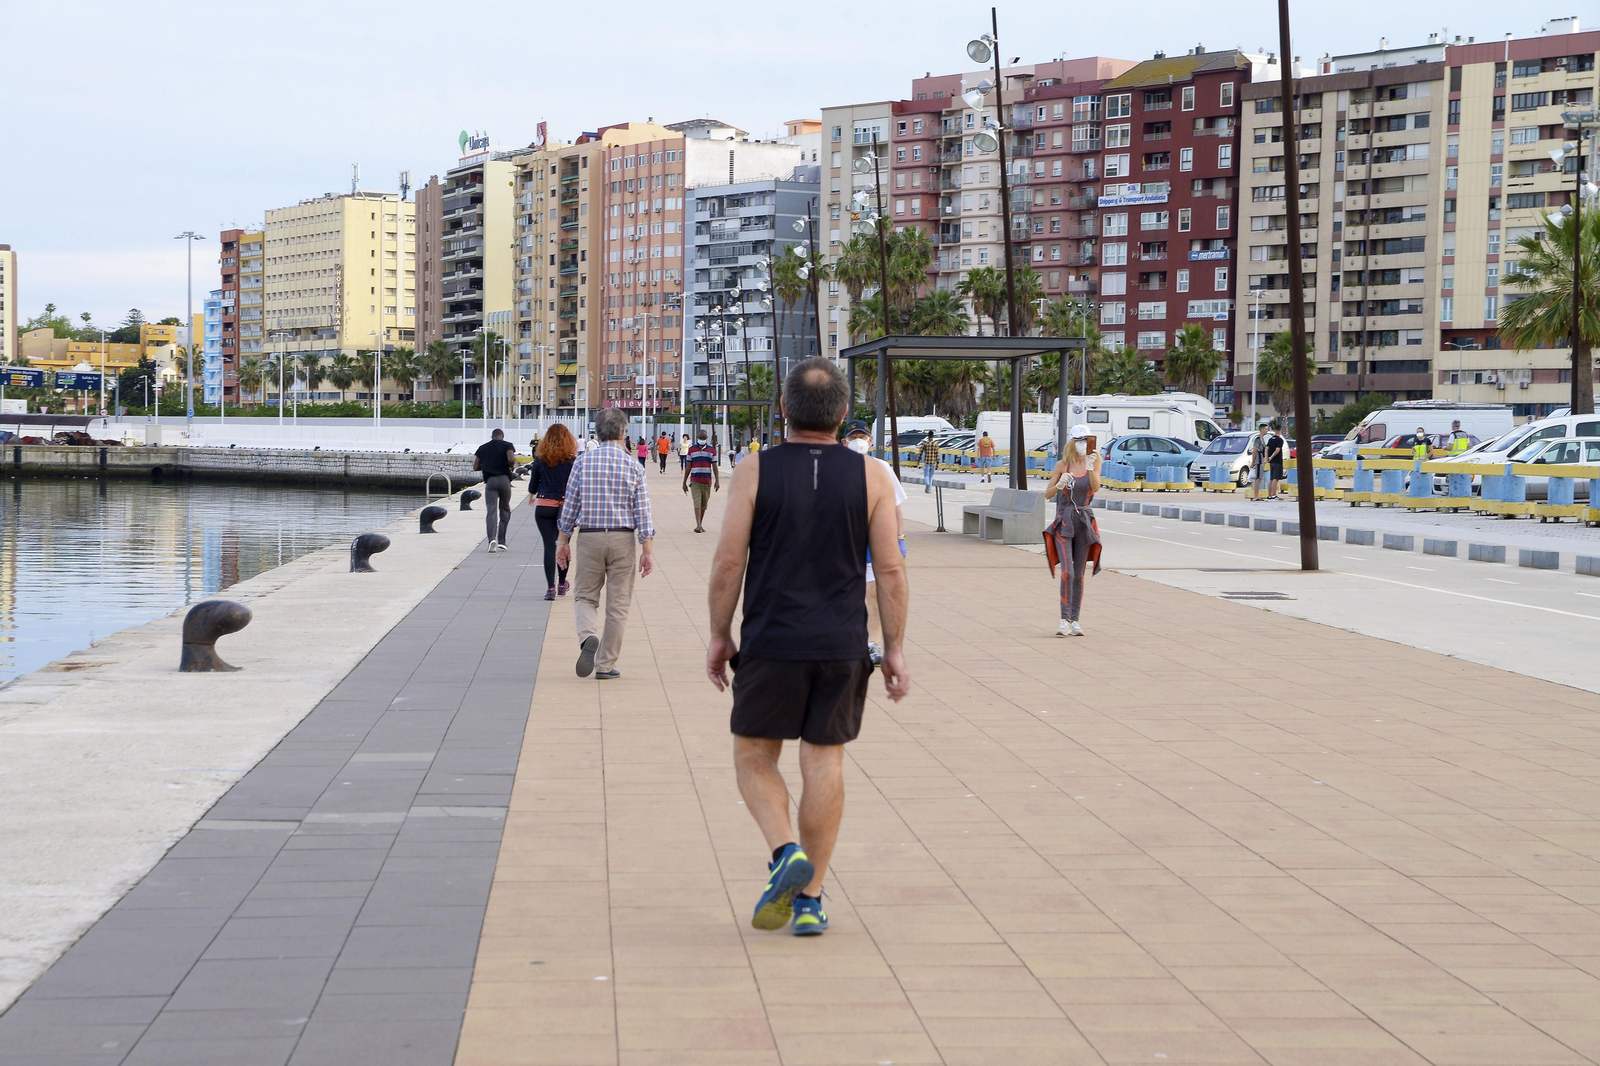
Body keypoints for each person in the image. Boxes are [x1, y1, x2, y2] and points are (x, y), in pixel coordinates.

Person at [706, 357, 909, 937]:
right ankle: (811, 899)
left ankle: (783, 852)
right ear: (844, 415)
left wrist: (721, 636)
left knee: (754, 758)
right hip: (843, 645)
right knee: (824, 761)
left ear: (784, 410)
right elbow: (890, 571)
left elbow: (728, 562)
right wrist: (892, 649)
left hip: (772, 640)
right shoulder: (872, 477)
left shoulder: (754, 471)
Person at [555, 408, 655, 680]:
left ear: (597, 434)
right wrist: (647, 551)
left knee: (585, 596)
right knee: (618, 603)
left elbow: (570, 507)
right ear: (624, 433)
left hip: (589, 536)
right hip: (623, 538)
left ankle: (588, 636)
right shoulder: (633, 465)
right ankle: (605, 665)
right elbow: (643, 513)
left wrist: (562, 541)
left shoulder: (582, 463)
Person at [842, 419, 905, 664]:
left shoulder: (881, 468)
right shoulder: (835, 467)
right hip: (842, 542)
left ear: (870, 440)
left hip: (872, 543)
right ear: (844, 442)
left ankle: (872, 644)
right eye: (853, 437)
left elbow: (896, 506)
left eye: (862, 436)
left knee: (873, 594)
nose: (859, 441)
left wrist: (900, 539)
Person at [1043, 425, 1102, 637]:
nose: (1083, 444)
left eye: (1086, 440)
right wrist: (1059, 485)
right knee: (1067, 572)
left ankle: (1074, 620)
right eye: (1079, 440)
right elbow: (1046, 494)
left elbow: (1095, 487)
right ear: (1071, 442)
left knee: (1079, 575)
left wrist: (1091, 466)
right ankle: (1063, 619)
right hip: (1065, 521)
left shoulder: (1095, 462)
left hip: (1084, 522)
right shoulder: (1062, 465)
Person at [528, 424, 577, 601]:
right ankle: (563, 583)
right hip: (565, 507)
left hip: (544, 505)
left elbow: (532, 485)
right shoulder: (572, 461)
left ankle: (550, 587)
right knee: (563, 544)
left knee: (549, 546)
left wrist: (532, 496)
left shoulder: (540, 460)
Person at [473, 428, 517, 553]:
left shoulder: (483, 448)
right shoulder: (507, 445)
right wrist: (511, 466)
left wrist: (487, 465)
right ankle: (502, 541)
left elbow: (476, 466)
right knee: (505, 509)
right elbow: (511, 459)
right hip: (504, 480)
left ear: (492, 436)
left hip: (491, 482)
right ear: (502, 436)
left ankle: (492, 539)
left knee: (491, 510)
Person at [682, 428, 720, 533]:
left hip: (707, 481)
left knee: (704, 504)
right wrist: (684, 482)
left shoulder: (712, 450)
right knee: (697, 502)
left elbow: (715, 466)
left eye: (704, 438)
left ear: (706, 438)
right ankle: (698, 525)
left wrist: (717, 480)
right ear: (697, 438)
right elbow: (688, 466)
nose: (702, 439)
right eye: (700, 438)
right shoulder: (692, 450)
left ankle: (700, 524)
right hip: (695, 481)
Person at [1248, 420, 1269, 502]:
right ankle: (1255, 496)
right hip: (1258, 461)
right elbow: (1255, 450)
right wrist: (1253, 461)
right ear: (1262, 429)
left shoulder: (1262, 439)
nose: (1267, 431)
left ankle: (1257, 495)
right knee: (1258, 478)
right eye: (1266, 429)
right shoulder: (1258, 439)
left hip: (1261, 460)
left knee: (1259, 478)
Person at [1266, 422, 1286, 500]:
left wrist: (1267, 457)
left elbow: (1266, 449)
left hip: (1271, 462)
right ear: (1281, 430)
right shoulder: (1279, 440)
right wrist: (1271, 457)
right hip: (1277, 461)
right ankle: (1274, 495)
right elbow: (1277, 450)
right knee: (1275, 478)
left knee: (1271, 478)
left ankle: (1269, 495)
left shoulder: (1271, 439)